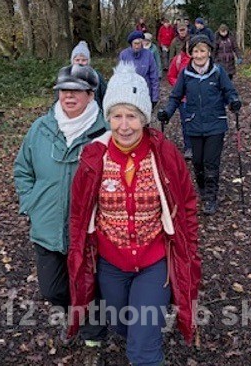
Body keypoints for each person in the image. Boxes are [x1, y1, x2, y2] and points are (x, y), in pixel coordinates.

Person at [66, 62, 201, 366]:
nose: (124, 126)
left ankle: (147, 339)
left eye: (131, 117)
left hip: (154, 263)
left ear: (144, 119)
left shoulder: (164, 154)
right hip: (111, 263)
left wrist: (188, 250)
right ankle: (143, 330)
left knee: (142, 352)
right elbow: (78, 213)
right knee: (121, 326)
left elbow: (188, 205)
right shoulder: (93, 157)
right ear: (107, 118)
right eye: (116, 116)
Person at [14, 64, 108, 365]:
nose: (69, 96)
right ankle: (73, 316)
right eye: (64, 90)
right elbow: (22, 169)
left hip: (91, 229)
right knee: (52, 288)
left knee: (91, 286)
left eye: (77, 91)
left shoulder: (105, 132)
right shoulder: (41, 128)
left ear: (90, 95)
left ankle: (94, 340)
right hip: (47, 227)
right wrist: (31, 203)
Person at [158, 35, 241, 215]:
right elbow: (175, 97)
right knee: (197, 163)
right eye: (195, 51)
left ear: (209, 52)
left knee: (211, 162)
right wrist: (167, 113)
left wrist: (234, 101)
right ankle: (203, 190)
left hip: (215, 123)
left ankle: (210, 197)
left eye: (202, 50)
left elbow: (229, 91)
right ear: (191, 53)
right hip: (194, 123)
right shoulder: (186, 74)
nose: (199, 54)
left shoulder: (218, 72)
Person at [167, 39, 193, 160]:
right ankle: (189, 147)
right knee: (186, 122)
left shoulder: (201, 60)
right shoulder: (178, 59)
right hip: (183, 98)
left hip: (199, 97)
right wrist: (179, 86)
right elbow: (171, 76)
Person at [118, 30, 159, 106]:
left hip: (145, 91)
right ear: (131, 43)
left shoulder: (148, 54)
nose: (137, 46)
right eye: (135, 44)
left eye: (139, 43)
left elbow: (154, 76)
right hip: (129, 92)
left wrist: (155, 97)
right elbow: (119, 77)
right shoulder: (124, 55)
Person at [68, 41, 107, 107]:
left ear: (88, 61)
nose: (80, 62)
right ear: (72, 61)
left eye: (83, 60)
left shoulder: (96, 76)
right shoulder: (66, 76)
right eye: (77, 60)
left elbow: (105, 95)